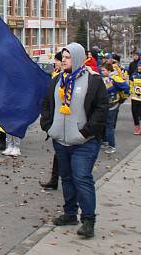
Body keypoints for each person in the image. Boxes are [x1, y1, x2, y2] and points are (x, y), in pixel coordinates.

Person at [40, 43, 108, 239]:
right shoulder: (57, 80)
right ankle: (70, 213)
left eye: (67, 57)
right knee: (67, 178)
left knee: (81, 177)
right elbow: (47, 103)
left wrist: (86, 132)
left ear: (77, 59)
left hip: (84, 142)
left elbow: (101, 109)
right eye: (62, 57)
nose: (63, 60)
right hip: (61, 141)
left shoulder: (93, 81)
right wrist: (48, 126)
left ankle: (88, 220)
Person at [40, 51, 63, 191]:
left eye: (57, 60)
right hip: (55, 122)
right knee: (58, 153)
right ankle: (54, 180)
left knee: (63, 155)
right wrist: (46, 123)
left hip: (66, 122)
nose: (55, 63)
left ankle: (60, 180)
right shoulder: (56, 76)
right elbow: (48, 100)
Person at [101, 62, 130, 154]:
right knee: (104, 124)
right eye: (101, 70)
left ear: (109, 70)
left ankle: (112, 145)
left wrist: (123, 98)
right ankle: (105, 141)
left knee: (109, 126)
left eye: (103, 70)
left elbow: (126, 88)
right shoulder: (104, 78)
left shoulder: (115, 79)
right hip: (105, 104)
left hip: (112, 105)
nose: (102, 72)